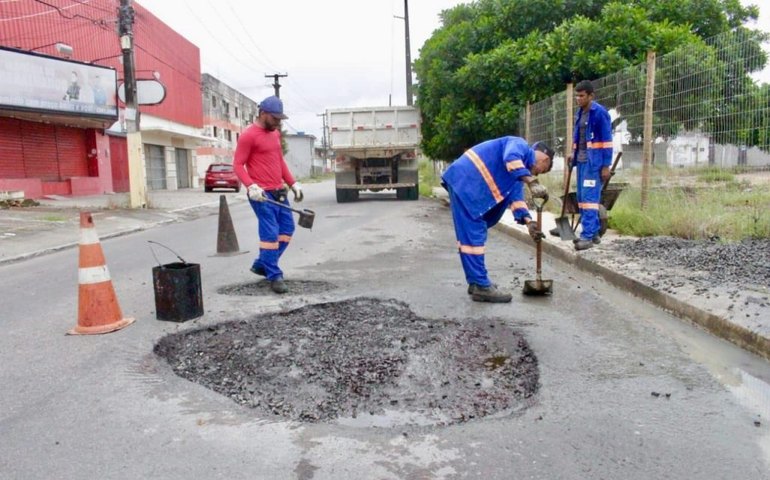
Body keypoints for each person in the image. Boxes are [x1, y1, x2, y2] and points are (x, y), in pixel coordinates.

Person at [441, 137, 554, 303]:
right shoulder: (519, 145)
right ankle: (481, 286)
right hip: (467, 182)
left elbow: (515, 197)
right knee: (474, 237)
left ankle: (475, 281)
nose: (537, 173)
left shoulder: (519, 174)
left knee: (470, 239)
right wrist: (532, 181)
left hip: (466, 184)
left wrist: (529, 222)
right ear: (545, 159)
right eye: (542, 170)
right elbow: (511, 158)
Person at [233, 95, 304, 294]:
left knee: (287, 229)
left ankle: (262, 264)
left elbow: (279, 161)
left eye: (280, 119)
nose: (278, 122)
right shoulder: (248, 135)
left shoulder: (274, 134)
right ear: (263, 114)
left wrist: (293, 183)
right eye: (275, 118)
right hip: (261, 194)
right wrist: (250, 186)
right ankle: (274, 276)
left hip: (279, 191)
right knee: (270, 233)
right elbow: (238, 165)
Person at [567, 79, 613, 251]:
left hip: (594, 164)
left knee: (589, 199)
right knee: (581, 198)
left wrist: (606, 165)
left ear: (591, 96)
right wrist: (573, 154)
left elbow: (607, 141)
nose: (578, 99)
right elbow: (577, 138)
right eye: (576, 96)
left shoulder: (599, 113)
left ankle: (586, 236)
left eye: (581, 96)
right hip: (581, 162)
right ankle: (593, 234)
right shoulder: (580, 113)